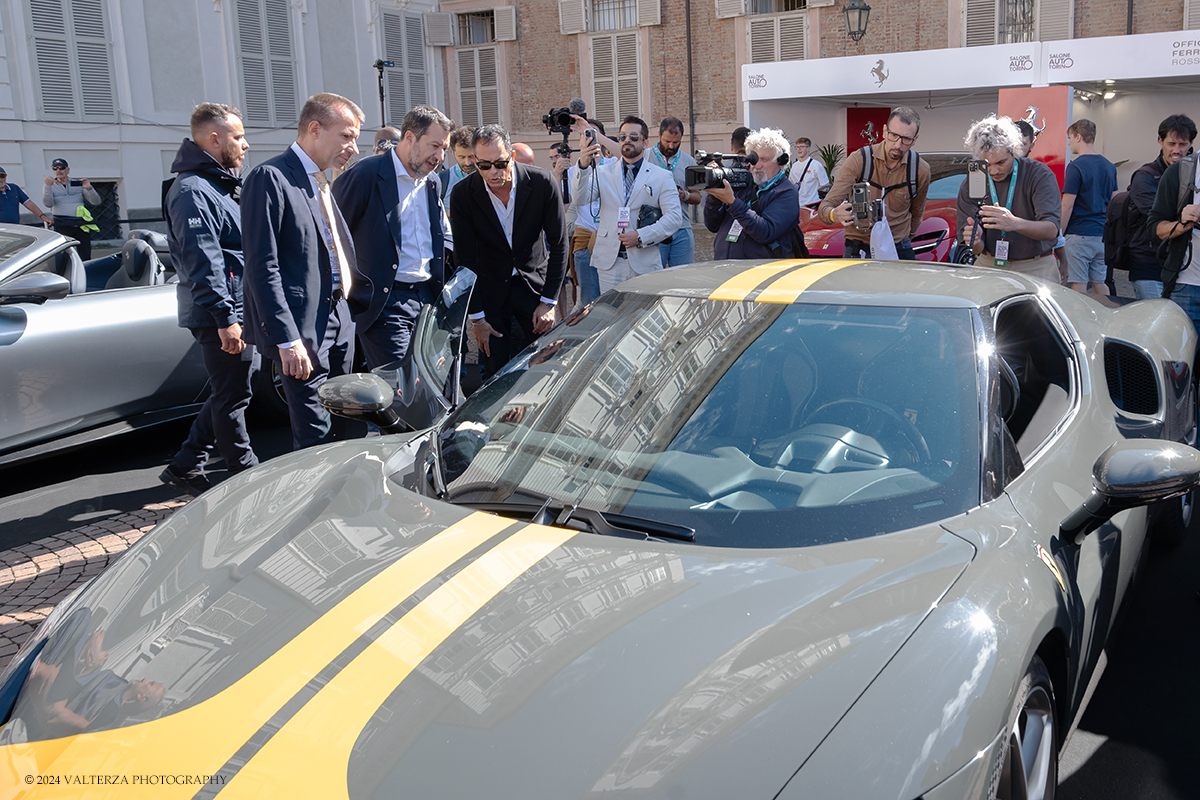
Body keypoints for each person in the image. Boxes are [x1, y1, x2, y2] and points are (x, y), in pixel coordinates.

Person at [241, 92, 362, 451]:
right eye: (347, 136)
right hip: (303, 330)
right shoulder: (271, 177)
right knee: (315, 437)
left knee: (347, 426)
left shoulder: (322, 180)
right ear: (314, 129)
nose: (353, 148)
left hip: (339, 318)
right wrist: (287, 339)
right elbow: (262, 266)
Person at [159, 103, 259, 496]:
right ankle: (245, 475)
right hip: (219, 311)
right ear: (214, 139)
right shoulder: (191, 191)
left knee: (230, 391)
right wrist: (226, 318)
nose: (245, 144)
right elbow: (203, 261)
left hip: (233, 306)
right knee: (234, 396)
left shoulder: (219, 183)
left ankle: (186, 464)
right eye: (238, 137)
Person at [333, 104, 452, 371]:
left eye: (444, 148)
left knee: (431, 385)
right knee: (401, 389)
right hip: (385, 303)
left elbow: (439, 233)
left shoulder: (433, 182)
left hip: (427, 299)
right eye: (435, 146)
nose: (440, 156)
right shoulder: (364, 176)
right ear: (409, 137)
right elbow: (334, 238)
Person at [449, 125, 567, 377]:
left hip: (534, 289)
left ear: (511, 156)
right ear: (474, 161)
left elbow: (559, 244)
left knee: (541, 368)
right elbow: (466, 260)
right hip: (490, 291)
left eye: (500, 163)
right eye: (484, 165)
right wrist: (478, 319)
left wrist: (548, 302)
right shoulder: (462, 195)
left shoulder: (542, 183)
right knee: (494, 371)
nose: (493, 172)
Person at [573, 115, 682, 294]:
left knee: (644, 317)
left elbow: (674, 218)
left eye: (633, 137)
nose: (627, 141)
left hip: (644, 260)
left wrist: (641, 235)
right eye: (622, 137)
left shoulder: (661, 176)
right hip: (610, 263)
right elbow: (580, 199)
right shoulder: (602, 172)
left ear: (645, 142)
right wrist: (584, 166)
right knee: (612, 316)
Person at [956, 115, 1061, 281]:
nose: (994, 171)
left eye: (1001, 162)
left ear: (1015, 151)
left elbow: (1052, 230)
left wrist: (1013, 223)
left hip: (1035, 266)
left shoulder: (1038, 174)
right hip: (989, 264)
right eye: (987, 164)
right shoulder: (976, 177)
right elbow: (976, 248)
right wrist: (975, 240)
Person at [817, 107, 930, 260]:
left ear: (915, 139)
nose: (898, 144)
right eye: (893, 135)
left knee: (908, 284)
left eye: (906, 139)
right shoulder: (859, 160)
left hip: (898, 245)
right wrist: (833, 214)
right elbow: (826, 206)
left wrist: (905, 238)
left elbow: (917, 213)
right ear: (884, 131)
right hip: (859, 244)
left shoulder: (919, 170)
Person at [1126, 115, 1197, 300]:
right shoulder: (1145, 176)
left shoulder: (1194, 174)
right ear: (1160, 141)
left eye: (1182, 144)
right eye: (1171, 143)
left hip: (1180, 266)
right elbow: (1154, 217)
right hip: (1149, 264)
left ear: (1191, 143)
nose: (1177, 150)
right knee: (1157, 324)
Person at [704, 128, 801, 260]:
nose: (758, 165)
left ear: (781, 162)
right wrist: (715, 196)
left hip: (759, 274)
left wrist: (732, 202)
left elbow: (765, 232)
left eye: (765, 159)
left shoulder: (786, 192)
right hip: (725, 268)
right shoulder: (743, 181)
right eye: (754, 159)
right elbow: (712, 225)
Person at [1061, 119, 1118, 294]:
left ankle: (1080, 321)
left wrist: (1059, 234)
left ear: (1078, 137)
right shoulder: (1109, 166)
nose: (1069, 142)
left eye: (1070, 138)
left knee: (1078, 285)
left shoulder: (1075, 167)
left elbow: (1067, 205)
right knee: (1100, 283)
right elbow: (1114, 202)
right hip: (1101, 236)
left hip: (1079, 235)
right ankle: (1108, 315)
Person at [1148, 142, 1200, 327]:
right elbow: (1154, 229)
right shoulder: (1181, 172)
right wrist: (1182, 224)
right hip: (1187, 286)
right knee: (1182, 354)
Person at [566, 119, 614, 309]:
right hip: (585, 241)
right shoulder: (572, 171)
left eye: (592, 134)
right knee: (588, 303)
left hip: (611, 242)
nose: (588, 139)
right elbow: (571, 201)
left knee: (612, 301)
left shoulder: (614, 164)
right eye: (583, 135)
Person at [647, 117, 700, 267]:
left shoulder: (689, 161)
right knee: (655, 278)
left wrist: (685, 195)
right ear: (659, 135)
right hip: (654, 228)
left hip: (682, 228)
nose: (671, 146)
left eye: (676, 142)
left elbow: (697, 197)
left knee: (683, 280)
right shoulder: (645, 157)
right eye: (667, 141)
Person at [43, 158, 101, 258]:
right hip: (62, 222)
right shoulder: (50, 185)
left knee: (85, 253)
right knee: (63, 254)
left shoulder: (77, 184)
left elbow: (96, 202)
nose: (58, 171)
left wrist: (89, 188)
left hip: (80, 222)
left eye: (61, 168)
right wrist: (47, 186)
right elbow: (48, 204)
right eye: (55, 168)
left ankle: (86, 271)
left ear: (67, 170)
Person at [788, 136, 829, 207]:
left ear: (808, 148)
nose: (799, 149)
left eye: (802, 147)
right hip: (798, 204)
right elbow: (790, 183)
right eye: (797, 147)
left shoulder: (816, 165)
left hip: (813, 203)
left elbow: (825, 185)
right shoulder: (794, 166)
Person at [438, 125, 476, 201]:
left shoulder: (490, 177)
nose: (467, 163)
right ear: (453, 153)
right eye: (461, 157)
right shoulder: (441, 180)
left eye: (471, 157)